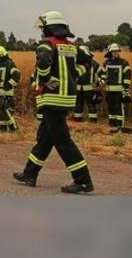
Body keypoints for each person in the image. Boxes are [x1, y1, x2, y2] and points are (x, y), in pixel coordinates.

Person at [13, 11, 94, 194]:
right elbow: (88, 61)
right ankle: (29, 174)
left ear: (49, 27)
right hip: (67, 99)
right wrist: (75, 74)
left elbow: (43, 64)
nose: (41, 31)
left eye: (43, 28)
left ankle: (83, 180)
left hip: (52, 99)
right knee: (45, 138)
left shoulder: (47, 45)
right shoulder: (73, 47)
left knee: (63, 141)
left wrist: (43, 82)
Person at [99, 43, 131, 129]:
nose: (116, 52)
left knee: (118, 108)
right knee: (111, 108)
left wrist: (125, 89)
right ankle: (112, 125)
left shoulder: (124, 62)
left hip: (119, 91)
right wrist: (101, 82)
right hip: (109, 90)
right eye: (114, 51)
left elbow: (127, 76)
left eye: (117, 51)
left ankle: (120, 126)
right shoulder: (106, 63)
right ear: (110, 52)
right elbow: (103, 75)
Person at [0, 46, 21, 132]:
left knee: (5, 109)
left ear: (3, 54)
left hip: (7, 92)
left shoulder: (9, 63)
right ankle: (2, 128)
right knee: (0, 111)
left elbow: (17, 74)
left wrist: (9, 84)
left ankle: (14, 127)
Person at [73, 45, 102, 123]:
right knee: (77, 107)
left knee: (92, 107)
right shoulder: (74, 63)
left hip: (90, 89)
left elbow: (103, 73)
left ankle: (93, 123)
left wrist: (99, 83)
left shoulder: (94, 63)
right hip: (77, 89)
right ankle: (77, 123)